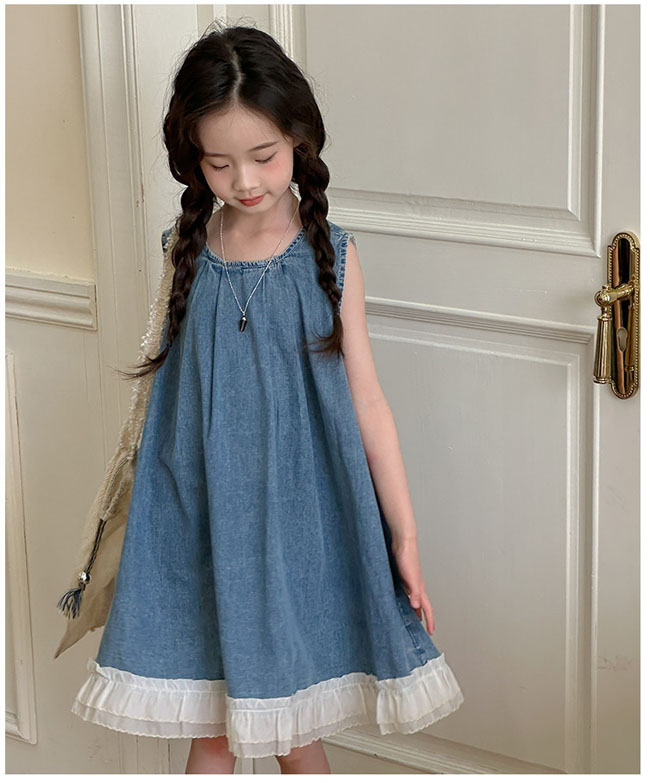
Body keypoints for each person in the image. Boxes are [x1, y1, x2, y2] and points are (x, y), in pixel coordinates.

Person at [66, 22, 464, 774]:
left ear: (299, 140)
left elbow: (368, 403)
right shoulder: (183, 251)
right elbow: (173, 409)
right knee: (213, 730)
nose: (245, 181)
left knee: (293, 728)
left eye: (264, 156)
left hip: (301, 529)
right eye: (219, 164)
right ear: (193, 159)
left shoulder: (331, 258)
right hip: (198, 523)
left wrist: (404, 537)